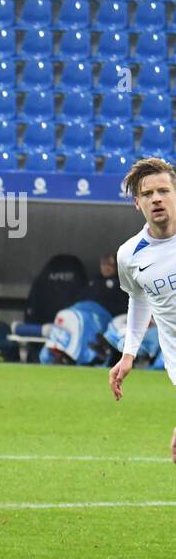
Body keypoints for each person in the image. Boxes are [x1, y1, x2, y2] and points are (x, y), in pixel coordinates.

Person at [109, 157, 176, 462]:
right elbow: (139, 298)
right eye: (148, 194)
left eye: (163, 190)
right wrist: (128, 354)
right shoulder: (129, 255)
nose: (157, 199)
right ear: (137, 203)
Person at [87, 252, 128, 317]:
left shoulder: (122, 283)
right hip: (91, 315)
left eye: (110, 264)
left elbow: (124, 306)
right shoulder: (94, 280)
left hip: (111, 317)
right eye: (104, 264)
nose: (106, 267)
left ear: (116, 266)